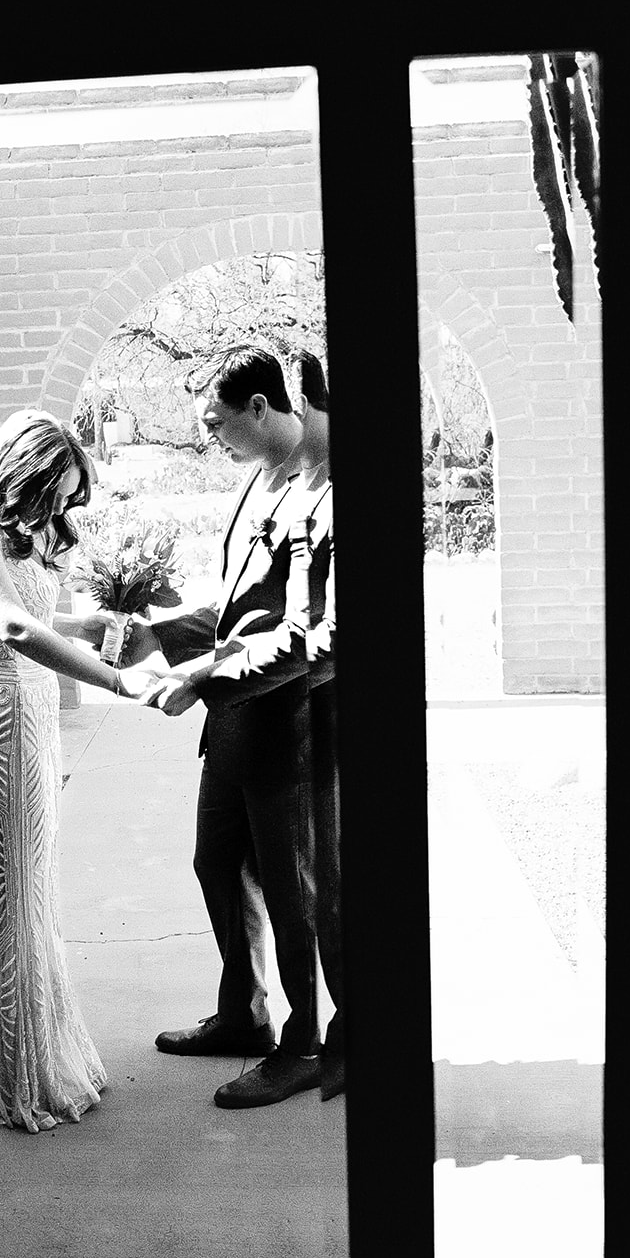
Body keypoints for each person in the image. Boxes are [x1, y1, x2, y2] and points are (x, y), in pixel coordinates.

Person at [0, 410, 154, 1132]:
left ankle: (41, 1053)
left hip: (32, 715)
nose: (57, 509)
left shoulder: (9, 527)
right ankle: (13, 1080)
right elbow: (12, 627)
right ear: (22, 472)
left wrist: (92, 628)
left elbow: (39, 615)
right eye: (52, 492)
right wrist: (119, 683)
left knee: (32, 893)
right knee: (9, 900)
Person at [124, 345, 324, 1110]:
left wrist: (204, 673)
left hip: (282, 726)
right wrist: (163, 633)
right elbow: (237, 606)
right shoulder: (255, 483)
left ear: (261, 408)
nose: (212, 437)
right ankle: (245, 1016)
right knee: (215, 863)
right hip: (230, 727)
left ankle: (303, 1043)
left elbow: (299, 633)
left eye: (217, 423)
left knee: (289, 890)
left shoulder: (316, 488)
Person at [286, 348, 344, 1100]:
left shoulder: (340, 492)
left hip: (330, 709)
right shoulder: (308, 485)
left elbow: (330, 630)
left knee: (333, 883)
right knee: (318, 881)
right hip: (304, 707)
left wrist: (238, 665)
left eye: (302, 409)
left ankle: (350, 1036)